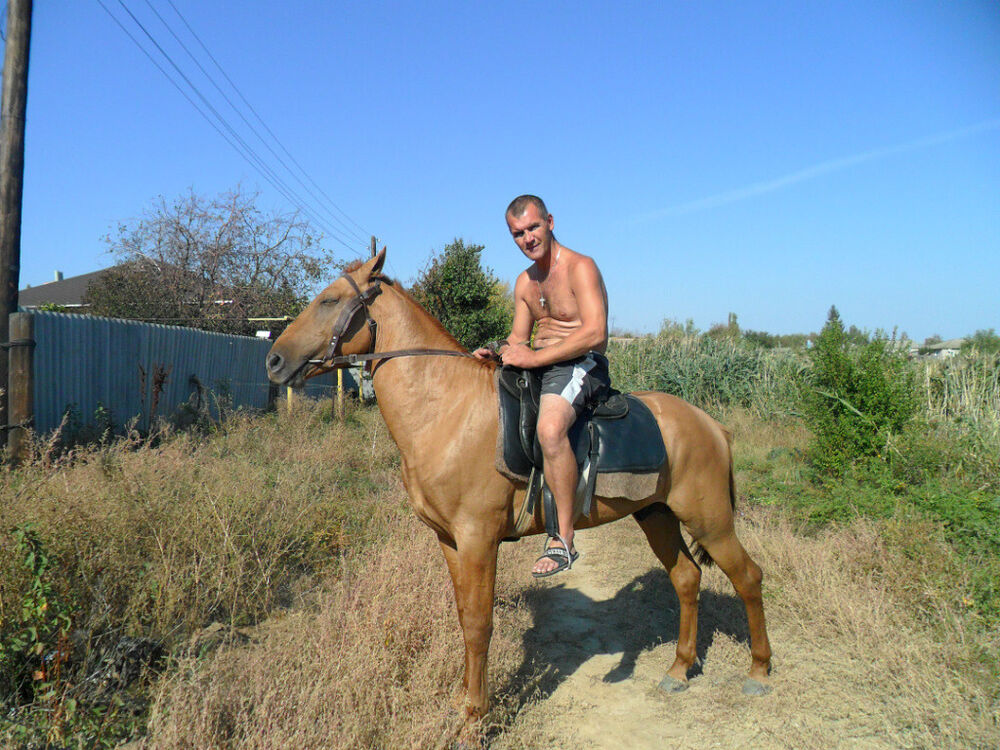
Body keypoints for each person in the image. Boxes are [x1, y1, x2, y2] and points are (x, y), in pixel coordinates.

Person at [474, 195, 610, 577]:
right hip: (543, 366)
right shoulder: (524, 282)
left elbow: (596, 333)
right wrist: (497, 351)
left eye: (533, 227)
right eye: (518, 234)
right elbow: (519, 339)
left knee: (550, 429)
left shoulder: (581, 267)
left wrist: (534, 358)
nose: (527, 238)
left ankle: (563, 538)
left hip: (582, 363)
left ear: (550, 221)